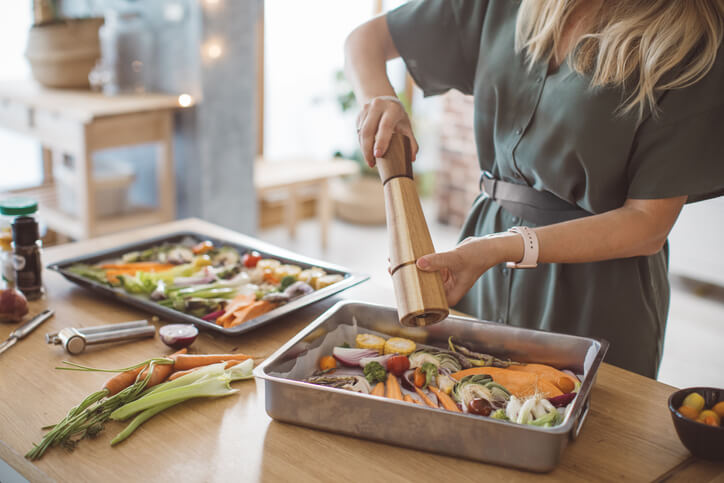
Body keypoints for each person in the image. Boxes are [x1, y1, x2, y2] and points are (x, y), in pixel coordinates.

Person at [344, 0, 724, 378]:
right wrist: (383, 102)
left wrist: (500, 248)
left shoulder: (691, 40)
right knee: (463, 396)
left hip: (598, 289)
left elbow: (648, 225)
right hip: (481, 264)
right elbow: (365, 41)